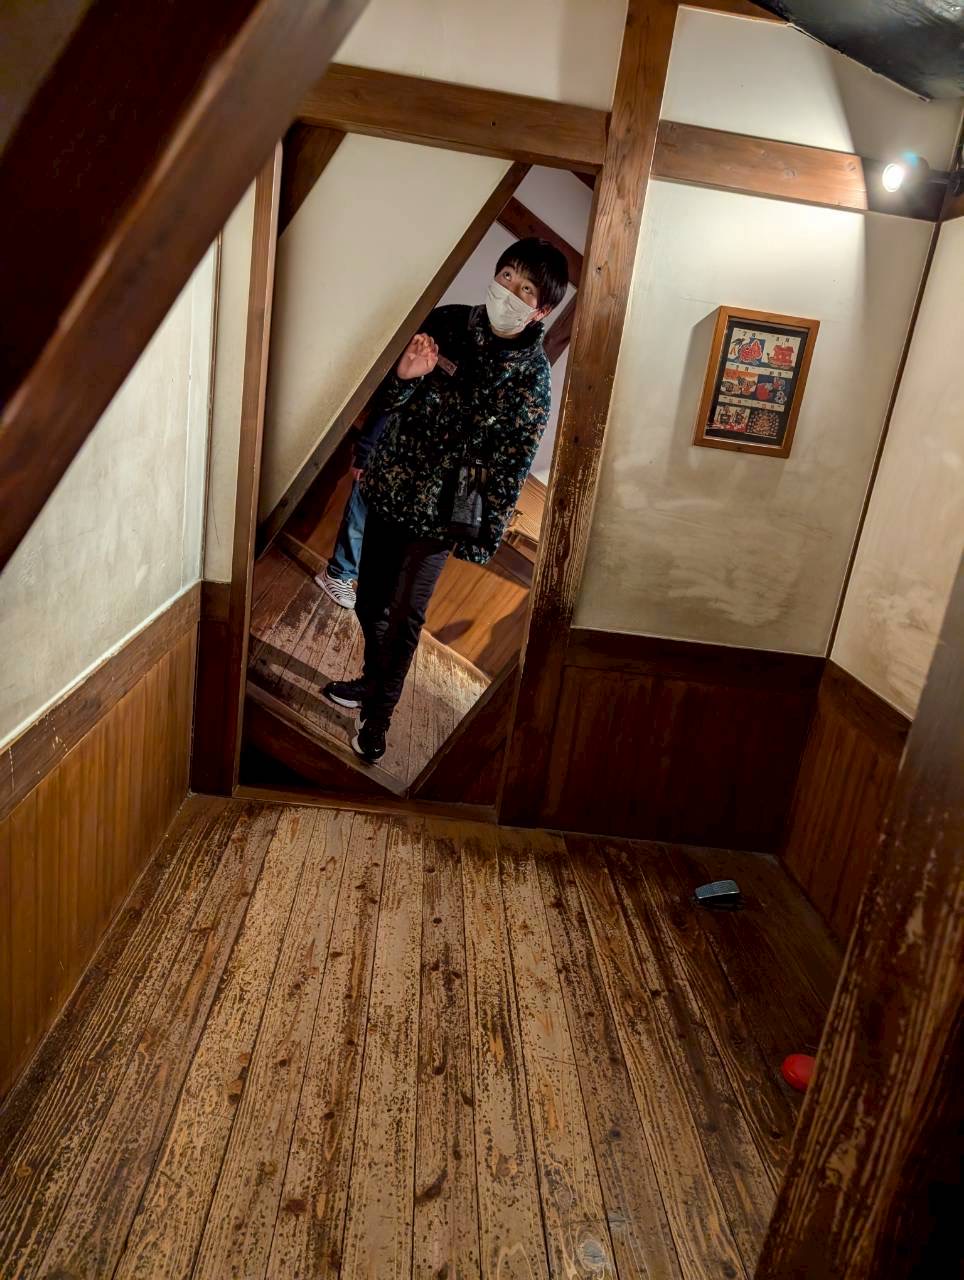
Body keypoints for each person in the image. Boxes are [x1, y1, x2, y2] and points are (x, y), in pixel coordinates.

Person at [322, 237, 568, 763]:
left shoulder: (533, 381)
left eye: (526, 289)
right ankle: (372, 681)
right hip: (392, 484)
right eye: (507, 275)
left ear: (542, 310)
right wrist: (403, 378)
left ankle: (378, 717)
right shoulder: (449, 321)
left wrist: (475, 538)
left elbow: (509, 467)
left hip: (440, 518)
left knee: (406, 618)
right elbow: (392, 397)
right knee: (369, 601)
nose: (509, 291)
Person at [314, 408, 389, 609]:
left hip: (400, 466)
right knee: (360, 516)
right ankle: (337, 574)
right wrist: (364, 453)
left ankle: (343, 574)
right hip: (381, 454)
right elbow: (386, 410)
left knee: (374, 524)